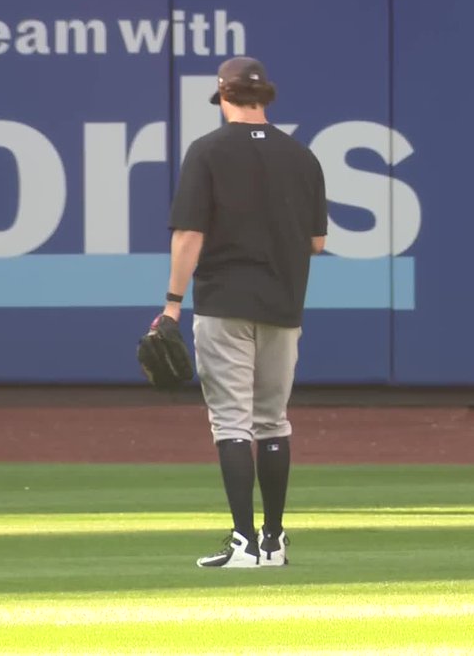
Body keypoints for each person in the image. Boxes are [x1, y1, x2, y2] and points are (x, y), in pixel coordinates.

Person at [159, 56, 328, 568]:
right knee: (272, 422)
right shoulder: (303, 157)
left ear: (223, 96)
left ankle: (243, 543)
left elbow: (190, 233)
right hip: (283, 304)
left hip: (224, 303)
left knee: (231, 422)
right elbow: (318, 242)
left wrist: (171, 304)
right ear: (265, 98)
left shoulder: (207, 151)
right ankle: (274, 542)